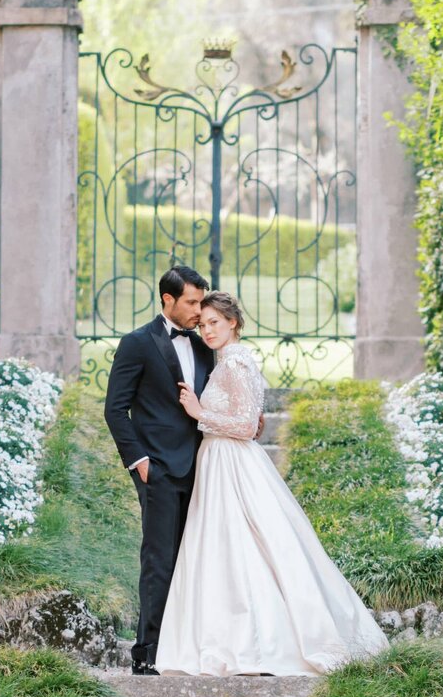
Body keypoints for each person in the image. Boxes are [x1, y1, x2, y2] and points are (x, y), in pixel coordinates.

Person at [155, 290, 389, 677]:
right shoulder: (229, 362)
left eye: (215, 322)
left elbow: (245, 428)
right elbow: (250, 419)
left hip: (231, 461)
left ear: (233, 323)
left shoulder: (238, 363)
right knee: (224, 550)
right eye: (203, 324)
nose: (208, 331)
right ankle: (232, 636)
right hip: (218, 460)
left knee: (249, 544)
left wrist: (199, 413)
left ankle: (263, 642)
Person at [104, 265, 216, 674]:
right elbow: (115, 408)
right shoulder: (137, 343)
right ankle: (147, 651)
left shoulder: (205, 345)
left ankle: (190, 647)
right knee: (160, 559)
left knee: (199, 559)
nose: (199, 310)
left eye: (202, 301)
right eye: (191, 302)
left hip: (205, 467)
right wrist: (140, 462)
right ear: (167, 299)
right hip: (160, 471)